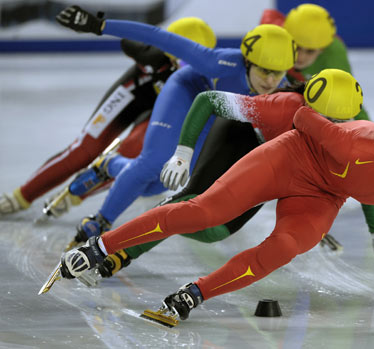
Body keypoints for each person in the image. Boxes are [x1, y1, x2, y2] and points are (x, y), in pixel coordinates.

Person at [59, 106, 374, 322]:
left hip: (323, 195)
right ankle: (101, 247)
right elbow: (302, 117)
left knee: (286, 247)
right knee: (206, 212)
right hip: (290, 157)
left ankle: (195, 293)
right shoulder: (354, 145)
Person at [96, 69, 374, 283]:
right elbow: (208, 100)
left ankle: (128, 180)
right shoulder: (281, 109)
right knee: (195, 208)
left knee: (213, 233)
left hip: (288, 170)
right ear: (308, 107)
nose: (336, 128)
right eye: (329, 120)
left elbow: (367, 179)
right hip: (241, 143)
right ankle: (125, 248)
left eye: (345, 121)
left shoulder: (353, 134)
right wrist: (183, 153)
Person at [54, 5, 296, 248]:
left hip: (210, 110)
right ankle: (99, 221)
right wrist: (101, 26)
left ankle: (109, 165)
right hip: (185, 92)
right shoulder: (217, 63)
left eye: (278, 73)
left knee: (158, 183)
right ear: (247, 62)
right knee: (153, 162)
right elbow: (159, 37)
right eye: (265, 71)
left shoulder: (283, 89)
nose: (271, 81)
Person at [0, 17, 217, 218]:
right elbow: (127, 42)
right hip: (132, 93)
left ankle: (78, 193)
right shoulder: (153, 53)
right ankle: (23, 195)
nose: (185, 65)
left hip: (159, 109)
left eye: (194, 58)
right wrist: (149, 53)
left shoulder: (204, 74)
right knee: (84, 150)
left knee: (131, 154)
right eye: (180, 56)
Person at [260, 2, 374, 260]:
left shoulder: (335, 53)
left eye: (311, 51)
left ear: (324, 48)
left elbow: (348, 106)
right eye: (297, 46)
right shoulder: (271, 36)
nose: (301, 56)